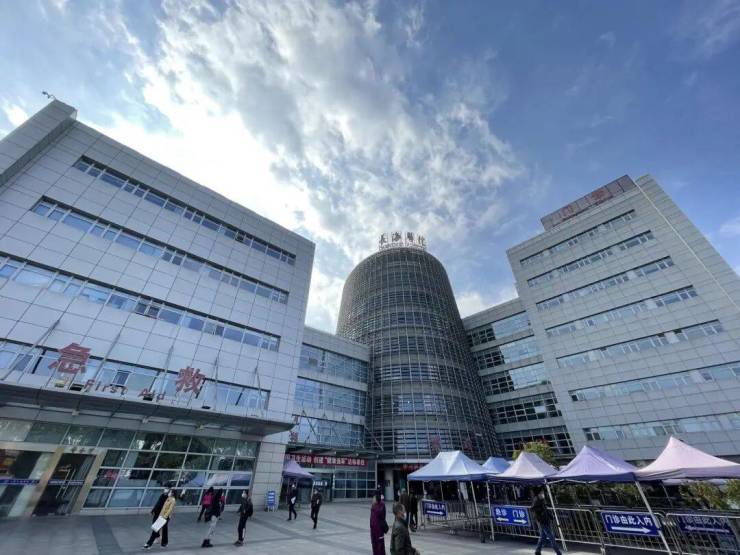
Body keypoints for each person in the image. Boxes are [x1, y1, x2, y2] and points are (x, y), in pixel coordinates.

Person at [530, 488, 562, 555]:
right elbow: (532, 509)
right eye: (541, 492)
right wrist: (541, 511)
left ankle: (537, 551)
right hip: (542, 521)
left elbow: (545, 509)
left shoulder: (542, 499)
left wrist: (550, 515)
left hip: (546, 519)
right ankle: (558, 552)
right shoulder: (536, 500)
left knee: (543, 537)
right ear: (538, 494)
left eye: (543, 492)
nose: (543, 494)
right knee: (551, 537)